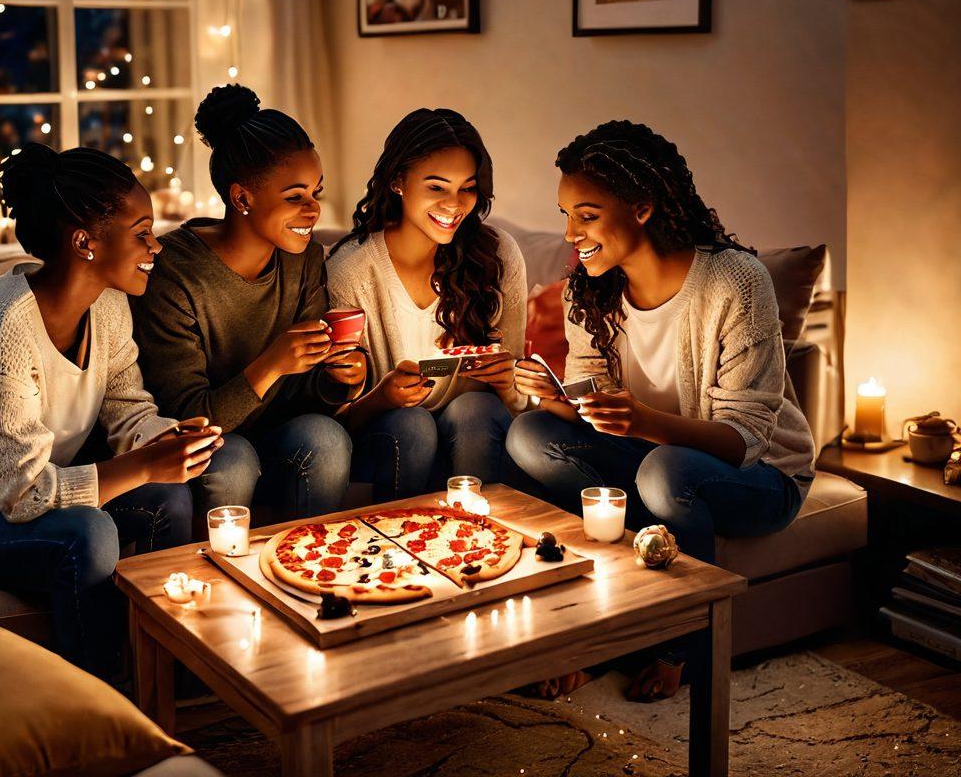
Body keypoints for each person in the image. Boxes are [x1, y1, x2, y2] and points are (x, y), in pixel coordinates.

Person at [0, 144, 221, 677]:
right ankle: (100, 703)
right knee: (89, 533)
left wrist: (168, 439)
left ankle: (166, 679)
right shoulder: (2, 330)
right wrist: (143, 466)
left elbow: (128, 410)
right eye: (142, 232)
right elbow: (25, 494)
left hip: (12, 497)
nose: (156, 247)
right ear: (85, 242)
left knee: (169, 498)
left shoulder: (108, 304)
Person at [506, 120, 816, 698]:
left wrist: (645, 423)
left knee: (663, 472)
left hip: (759, 474)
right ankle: (596, 631)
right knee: (529, 434)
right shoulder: (590, 288)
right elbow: (596, 404)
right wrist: (560, 401)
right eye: (566, 214)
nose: (572, 233)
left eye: (587, 215)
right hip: (651, 455)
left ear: (643, 206)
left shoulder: (735, 283)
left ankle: (680, 645)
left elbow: (744, 438)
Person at [131, 84, 365, 521]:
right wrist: (271, 364)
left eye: (316, 192)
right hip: (206, 443)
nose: (313, 210)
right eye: (295, 197)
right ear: (242, 198)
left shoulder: (306, 259)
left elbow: (307, 397)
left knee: (325, 436)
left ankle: (307, 568)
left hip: (279, 437)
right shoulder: (173, 273)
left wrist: (339, 379)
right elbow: (187, 418)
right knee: (231, 457)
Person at [327, 108, 527, 500]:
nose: (454, 204)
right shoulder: (350, 270)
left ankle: (479, 539)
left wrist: (509, 382)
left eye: (467, 188)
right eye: (437, 187)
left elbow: (519, 396)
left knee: (476, 409)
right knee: (413, 424)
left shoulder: (499, 255)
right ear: (398, 181)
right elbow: (336, 419)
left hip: (472, 428)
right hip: (388, 433)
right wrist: (383, 397)